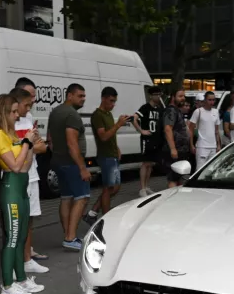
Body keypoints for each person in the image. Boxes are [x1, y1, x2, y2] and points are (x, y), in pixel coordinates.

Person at [0, 94, 42, 294]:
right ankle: (7, 286)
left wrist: (29, 143)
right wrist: (27, 142)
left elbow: (25, 165)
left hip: (21, 187)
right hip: (10, 188)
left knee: (20, 237)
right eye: (12, 112)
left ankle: (20, 278)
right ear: (3, 113)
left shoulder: (9, 135)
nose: (16, 115)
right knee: (12, 238)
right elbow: (15, 166)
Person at [10, 83, 49, 274]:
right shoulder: (7, 121)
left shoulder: (29, 119)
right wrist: (29, 146)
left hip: (32, 175)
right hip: (17, 177)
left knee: (30, 219)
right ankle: (16, 263)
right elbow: (15, 150)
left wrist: (29, 146)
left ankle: (27, 259)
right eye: (27, 103)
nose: (31, 106)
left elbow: (42, 146)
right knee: (16, 222)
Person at [48, 83, 90, 251]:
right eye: (80, 96)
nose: (83, 99)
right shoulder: (72, 115)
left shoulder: (55, 112)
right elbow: (72, 144)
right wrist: (82, 168)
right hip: (71, 163)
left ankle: (68, 234)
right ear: (69, 95)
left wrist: (57, 154)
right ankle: (71, 237)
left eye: (84, 96)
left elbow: (50, 139)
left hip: (58, 161)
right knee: (82, 197)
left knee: (66, 198)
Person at [90, 87, 129, 217]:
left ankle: (93, 211)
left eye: (114, 102)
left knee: (115, 187)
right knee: (108, 188)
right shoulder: (97, 115)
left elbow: (111, 135)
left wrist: (116, 148)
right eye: (111, 101)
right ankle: (105, 216)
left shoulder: (108, 114)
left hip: (112, 154)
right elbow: (104, 136)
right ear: (103, 98)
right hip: (105, 156)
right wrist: (118, 125)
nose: (113, 105)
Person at [134, 86, 163, 197]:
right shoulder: (145, 107)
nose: (158, 97)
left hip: (155, 139)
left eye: (159, 94)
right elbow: (134, 118)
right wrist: (141, 130)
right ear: (151, 95)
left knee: (151, 164)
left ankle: (146, 186)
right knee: (145, 163)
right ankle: (142, 188)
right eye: (156, 95)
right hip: (147, 139)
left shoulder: (159, 109)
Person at [162, 87, 192, 188]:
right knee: (173, 178)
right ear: (173, 97)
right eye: (180, 96)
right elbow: (167, 129)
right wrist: (173, 149)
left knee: (179, 178)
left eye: (183, 96)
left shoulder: (176, 110)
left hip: (181, 150)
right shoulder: (170, 111)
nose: (183, 98)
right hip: (175, 151)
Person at [189, 90, 222, 170]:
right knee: (200, 170)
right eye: (209, 100)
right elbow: (191, 129)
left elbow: (216, 131)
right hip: (202, 146)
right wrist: (191, 145)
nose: (212, 102)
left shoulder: (216, 111)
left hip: (213, 147)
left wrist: (218, 145)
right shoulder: (198, 111)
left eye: (213, 100)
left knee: (212, 170)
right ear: (205, 100)